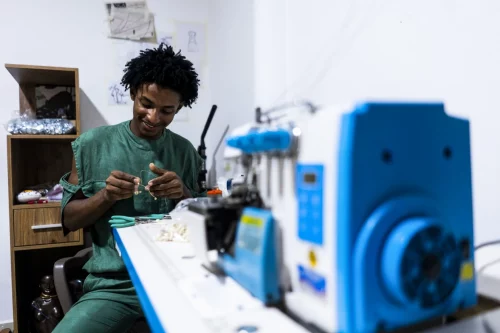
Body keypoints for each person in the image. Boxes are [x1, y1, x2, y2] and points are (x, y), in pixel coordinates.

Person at [53, 44, 206, 333]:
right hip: (114, 286)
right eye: (146, 104)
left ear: (179, 108)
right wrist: (105, 196)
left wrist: (183, 193)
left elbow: (202, 222)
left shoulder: (185, 153)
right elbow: (68, 220)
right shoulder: (90, 146)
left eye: (167, 110)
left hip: (178, 280)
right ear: (133, 92)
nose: (153, 117)